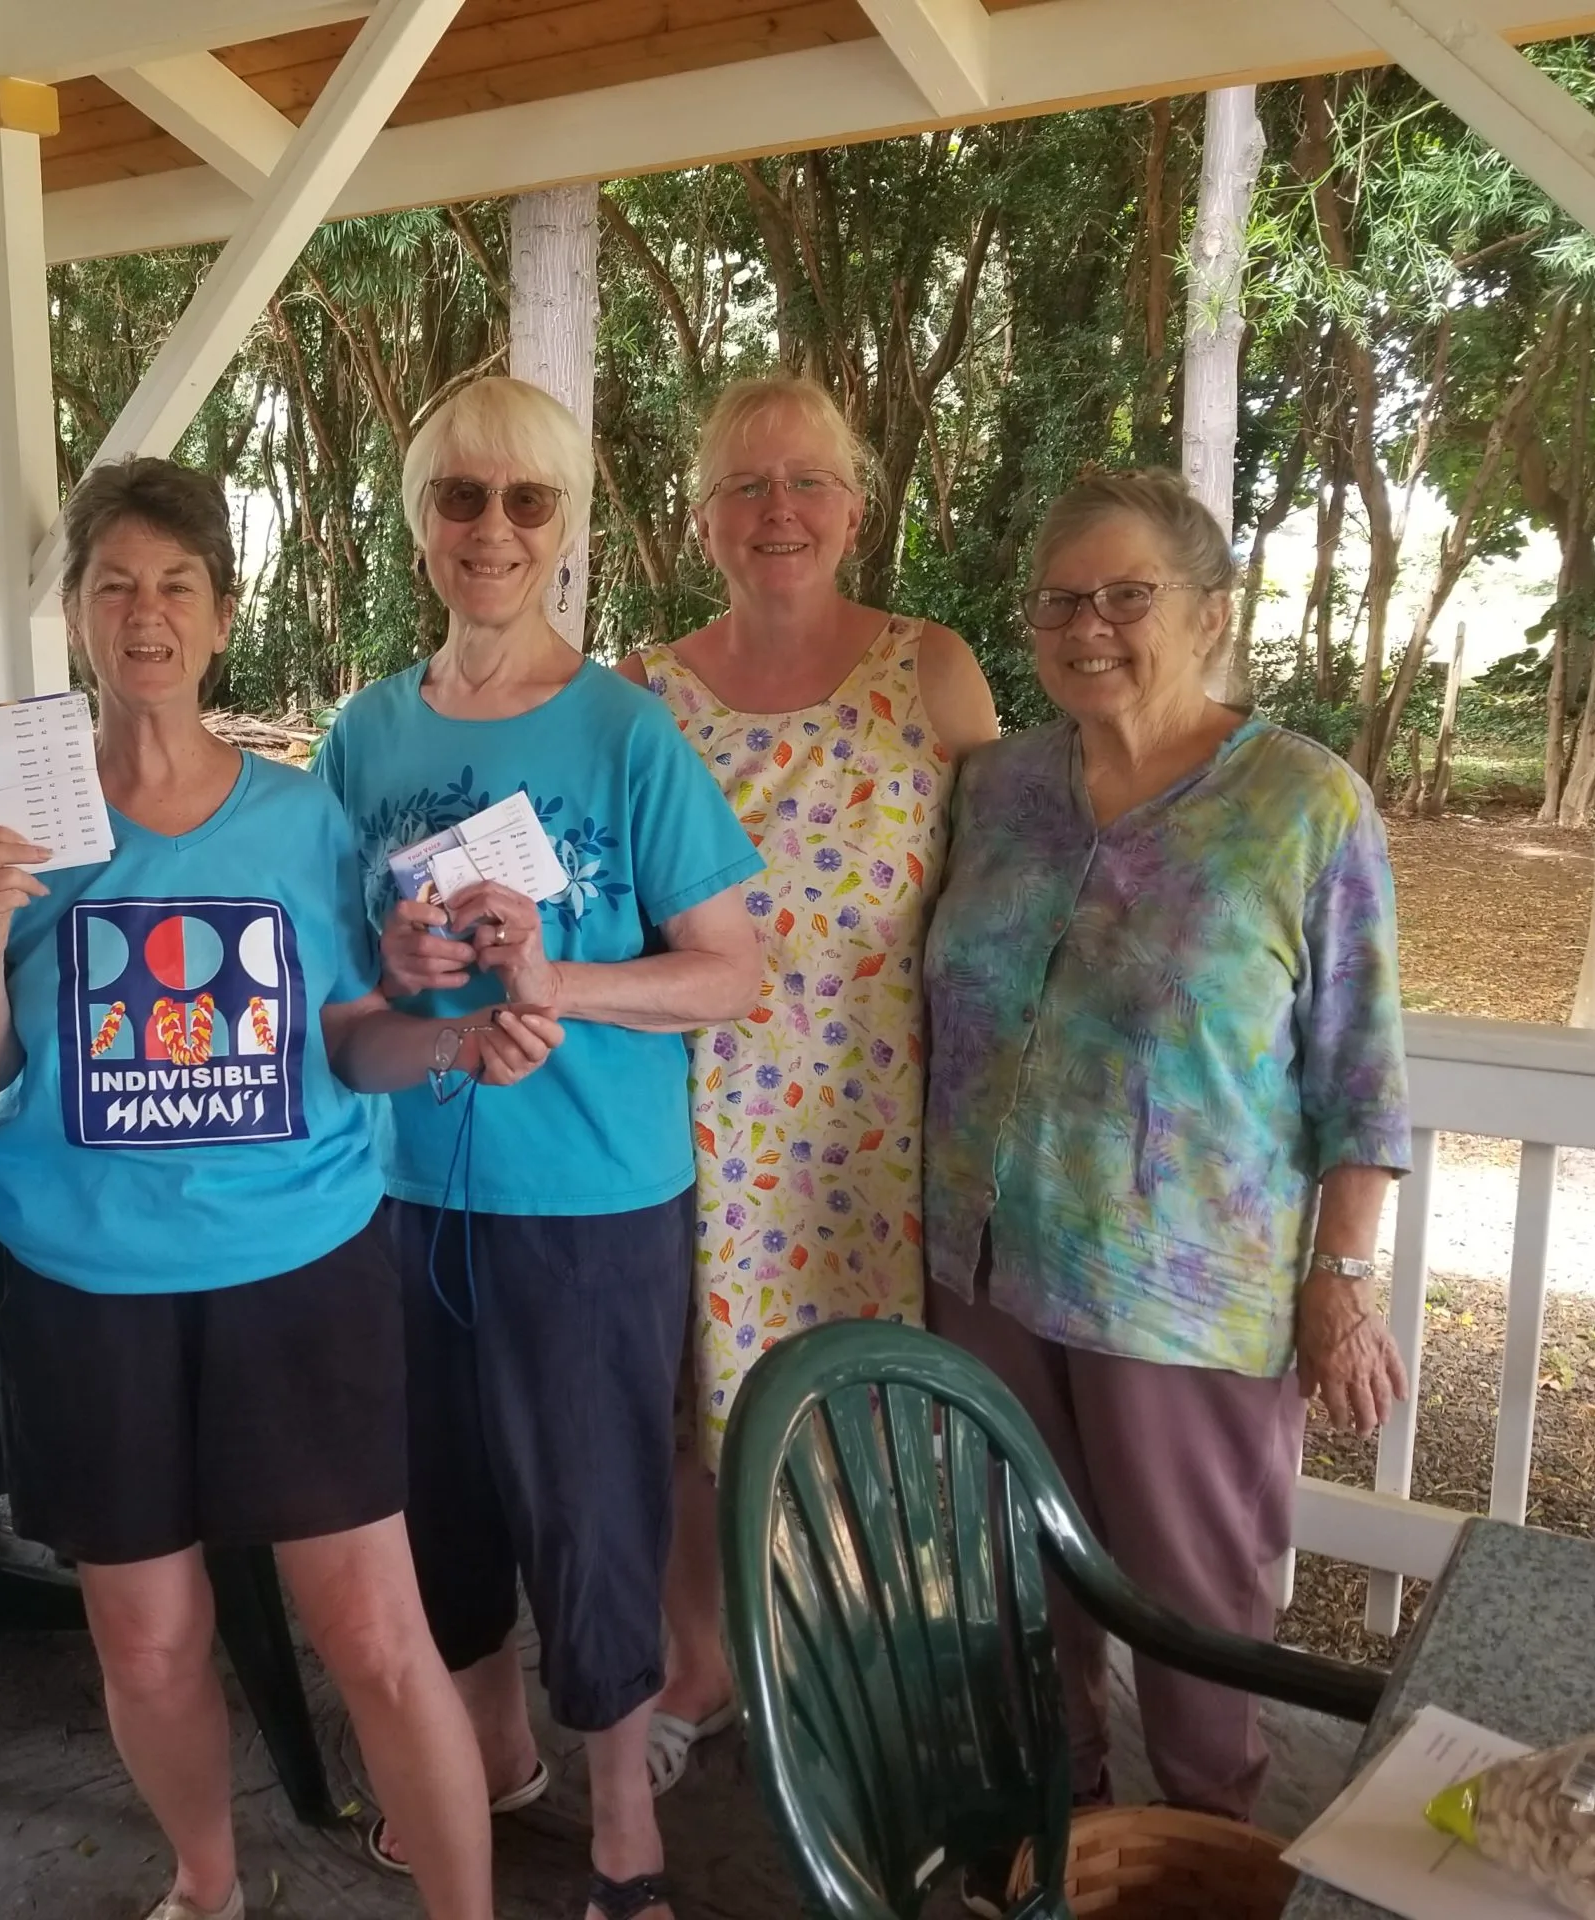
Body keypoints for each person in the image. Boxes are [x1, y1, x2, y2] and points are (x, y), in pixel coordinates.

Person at [0, 455, 555, 1920]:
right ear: (79, 616)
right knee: (147, 1640)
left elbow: (356, 1044)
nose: (145, 615)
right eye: (114, 586)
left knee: (374, 1633)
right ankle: (207, 1887)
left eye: (176, 587)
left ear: (221, 617)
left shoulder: (302, 824)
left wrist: (453, 1033)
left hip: (297, 1271)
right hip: (86, 1285)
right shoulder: (15, 830)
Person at [314, 377, 764, 1920]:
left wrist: (557, 979)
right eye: (459, 498)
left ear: (568, 524)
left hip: (591, 1204)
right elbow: (336, 984)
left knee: (595, 1514)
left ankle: (626, 1821)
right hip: (406, 1195)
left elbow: (730, 969)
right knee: (438, 1510)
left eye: (526, 501)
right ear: (418, 518)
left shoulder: (627, 732)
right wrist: (400, 970)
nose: (491, 530)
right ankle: (489, 1763)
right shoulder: (362, 733)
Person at [921, 466, 1412, 1821]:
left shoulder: (1303, 805)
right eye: (1061, 600)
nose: (1090, 624)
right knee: (1011, 1588)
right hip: (980, 1271)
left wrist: (1344, 1278)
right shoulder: (998, 786)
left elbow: (1359, 1076)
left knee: (1197, 1616)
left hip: (1183, 1293)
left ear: (1209, 613)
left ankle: (1203, 1854)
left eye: (1127, 594)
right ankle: (1052, 1849)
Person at [617, 375, 999, 1796]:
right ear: (702, 519)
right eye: (744, 487)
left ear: (856, 504)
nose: (778, 511)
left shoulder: (934, 669)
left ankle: (867, 1670)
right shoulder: (641, 693)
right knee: (683, 1412)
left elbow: (1020, 895)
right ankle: (698, 1664)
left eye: (807, 481)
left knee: (870, 1414)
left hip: (868, 1126)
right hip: (687, 1118)